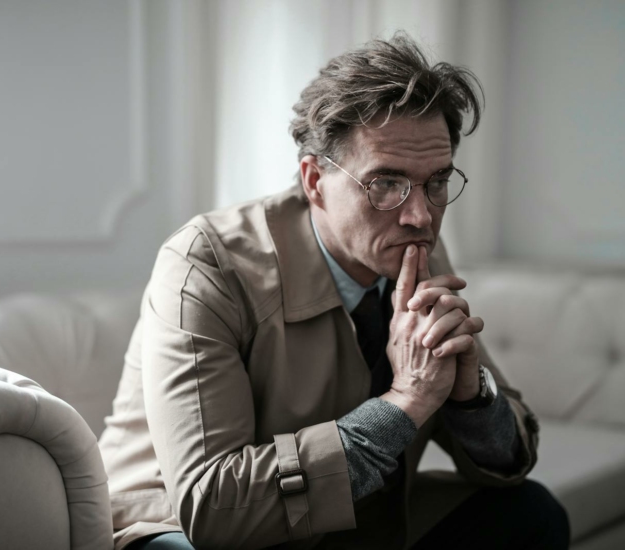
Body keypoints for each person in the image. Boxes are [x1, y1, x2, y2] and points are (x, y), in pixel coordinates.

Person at [99, 34, 570, 549]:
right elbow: (214, 505)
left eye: (436, 182)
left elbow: (510, 459)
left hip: (348, 522)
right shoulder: (206, 264)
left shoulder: (415, 248)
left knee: (531, 514)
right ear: (314, 179)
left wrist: (470, 394)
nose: (420, 216)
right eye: (385, 184)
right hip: (181, 528)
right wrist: (406, 402)